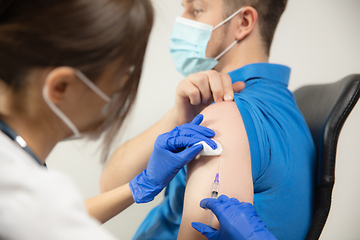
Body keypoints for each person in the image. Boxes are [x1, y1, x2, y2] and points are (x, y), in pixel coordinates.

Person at [0, 0, 243, 239]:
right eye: (122, 75)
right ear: (61, 86)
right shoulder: (22, 197)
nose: (122, 90)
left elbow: (51, 219)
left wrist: (139, 185)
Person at [101, 0, 317, 240]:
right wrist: (178, 116)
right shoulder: (271, 102)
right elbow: (109, 187)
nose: (181, 20)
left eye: (196, 10)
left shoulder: (226, 115)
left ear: (243, 22)